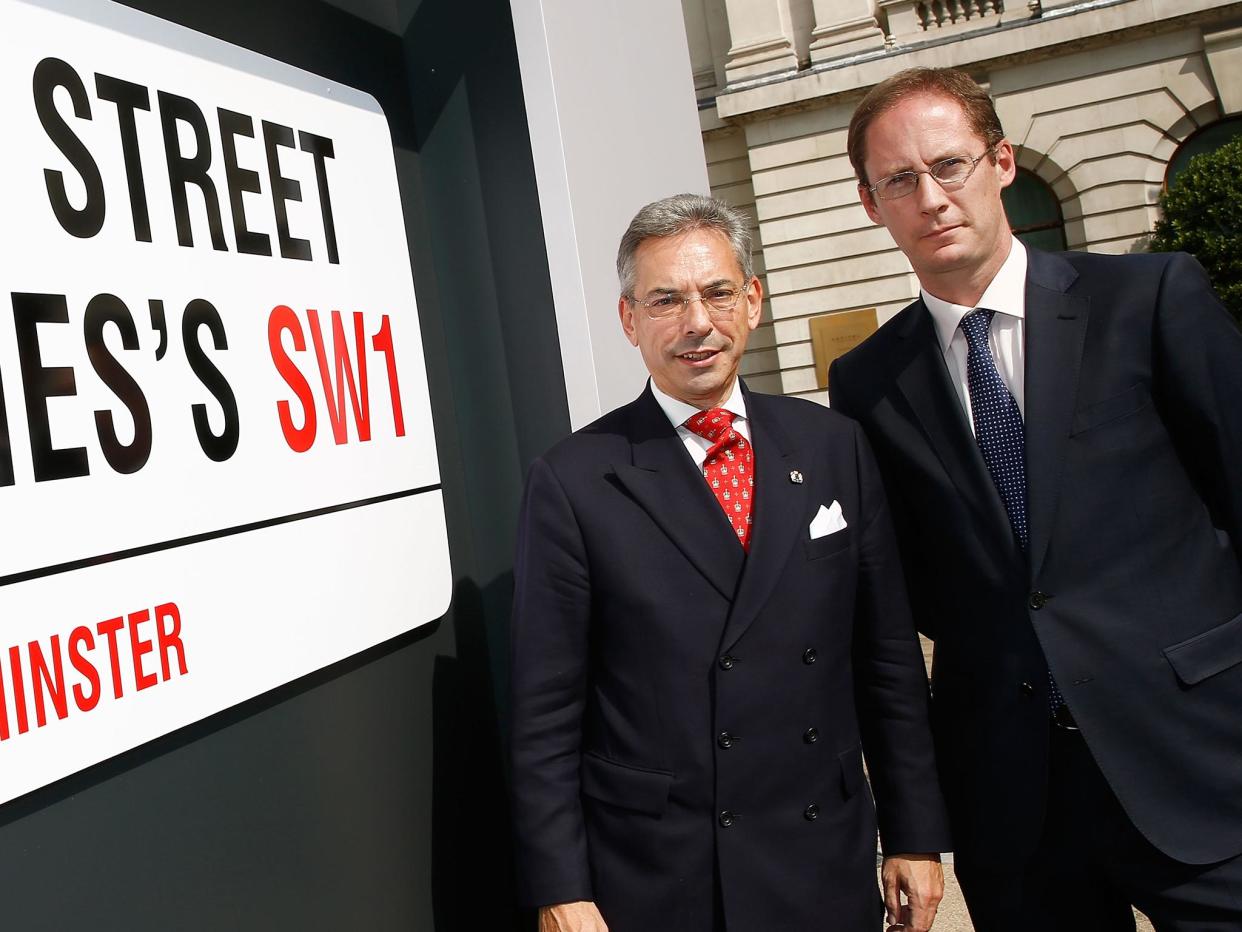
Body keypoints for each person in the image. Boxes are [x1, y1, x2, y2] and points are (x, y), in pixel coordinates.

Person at [829, 67, 1242, 931]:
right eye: (900, 180)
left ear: (1002, 162)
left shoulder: (1148, 299)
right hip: (1015, 804)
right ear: (872, 205)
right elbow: (902, 603)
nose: (932, 197)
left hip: (1200, 764)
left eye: (950, 165)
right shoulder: (867, 382)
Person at [510, 194, 951, 932]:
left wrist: (915, 834)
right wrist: (562, 887)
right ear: (630, 321)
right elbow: (545, 712)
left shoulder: (832, 446)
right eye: (665, 301)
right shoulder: (576, 478)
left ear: (752, 301)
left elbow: (888, 662)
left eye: (716, 292)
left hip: (823, 855)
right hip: (666, 874)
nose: (696, 323)